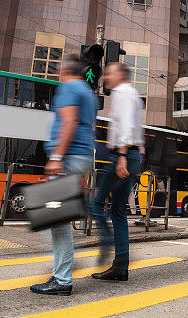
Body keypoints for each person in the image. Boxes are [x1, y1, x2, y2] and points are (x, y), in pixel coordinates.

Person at [30, 55, 98, 296]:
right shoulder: (88, 92)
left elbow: (68, 122)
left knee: (54, 218)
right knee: (57, 217)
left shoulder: (69, 88)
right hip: (81, 157)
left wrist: (56, 156)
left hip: (68, 157)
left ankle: (62, 277)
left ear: (65, 71)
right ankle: (63, 269)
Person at [90, 62, 145, 282]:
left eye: (109, 74)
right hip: (132, 155)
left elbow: (126, 127)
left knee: (95, 203)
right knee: (118, 212)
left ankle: (107, 242)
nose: (105, 77)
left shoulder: (122, 93)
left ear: (120, 75)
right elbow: (137, 131)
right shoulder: (133, 94)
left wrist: (121, 156)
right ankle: (120, 265)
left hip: (122, 155)